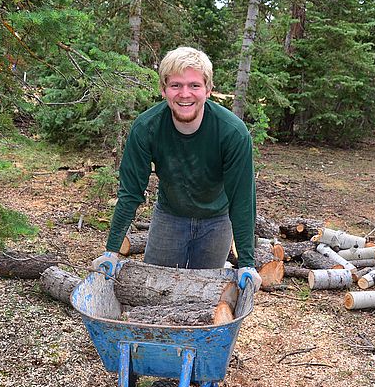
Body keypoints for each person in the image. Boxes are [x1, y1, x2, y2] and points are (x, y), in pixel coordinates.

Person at [93, 46, 262, 291]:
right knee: (152, 292)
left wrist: (246, 262)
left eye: (194, 85)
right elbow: (130, 192)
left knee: (203, 299)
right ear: (163, 90)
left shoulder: (232, 133)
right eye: (176, 85)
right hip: (169, 217)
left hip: (216, 221)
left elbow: (243, 199)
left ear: (208, 89)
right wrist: (111, 251)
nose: (185, 94)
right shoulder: (147, 128)